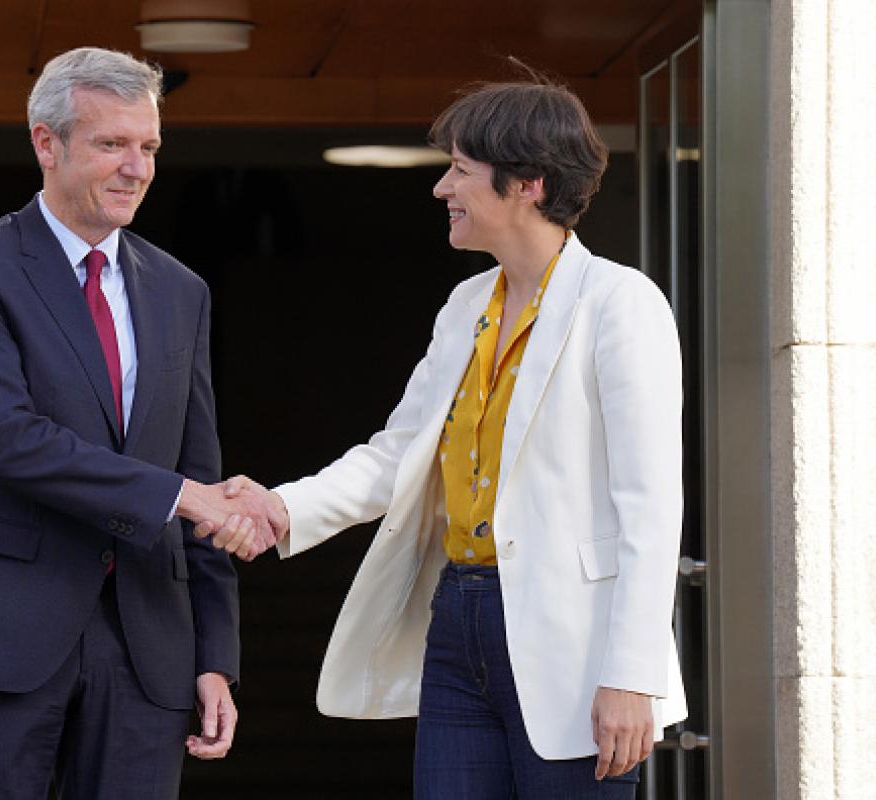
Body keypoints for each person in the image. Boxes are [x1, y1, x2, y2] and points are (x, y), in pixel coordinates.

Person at [202, 80, 688, 798]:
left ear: (528, 182)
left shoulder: (621, 304)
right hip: (459, 618)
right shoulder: (466, 306)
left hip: (577, 645)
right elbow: (399, 452)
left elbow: (650, 506)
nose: (441, 188)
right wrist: (280, 507)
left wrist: (631, 674)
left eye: (460, 169)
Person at [0, 47, 269, 799]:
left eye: (150, 147)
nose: (137, 167)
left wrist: (214, 654)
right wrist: (179, 496)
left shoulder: (181, 291)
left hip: (147, 643)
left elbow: (203, 464)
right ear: (46, 142)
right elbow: (6, 441)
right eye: (112, 144)